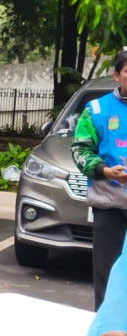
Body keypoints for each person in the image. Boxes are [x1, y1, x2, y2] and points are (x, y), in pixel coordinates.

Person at [71, 48, 127, 310]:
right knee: (108, 274)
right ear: (117, 75)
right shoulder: (96, 109)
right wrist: (105, 171)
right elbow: (80, 150)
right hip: (110, 205)